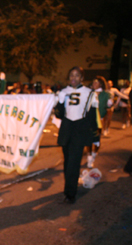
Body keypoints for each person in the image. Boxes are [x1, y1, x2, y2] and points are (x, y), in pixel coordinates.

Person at [56, 66, 99, 203]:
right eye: (71, 75)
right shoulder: (63, 91)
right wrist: (60, 102)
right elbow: (60, 115)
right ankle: (69, 187)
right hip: (66, 128)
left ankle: (70, 193)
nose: (73, 78)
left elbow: (93, 116)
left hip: (80, 129)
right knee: (68, 161)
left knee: (74, 163)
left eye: (77, 75)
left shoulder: (90, 93)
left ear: (82, 78)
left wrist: (95, 136)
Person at [86, 76, 111, 168]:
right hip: (88, 119)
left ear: (101, 83)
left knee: (96, 139)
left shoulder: (106, 94)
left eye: (96, 82)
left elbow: (108, 107)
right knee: (88, 138)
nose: (93, 84)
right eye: (93, 82)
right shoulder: (88, 92)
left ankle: (93, 155)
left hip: (99, 120)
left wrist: (110, 104)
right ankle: (89, 157)